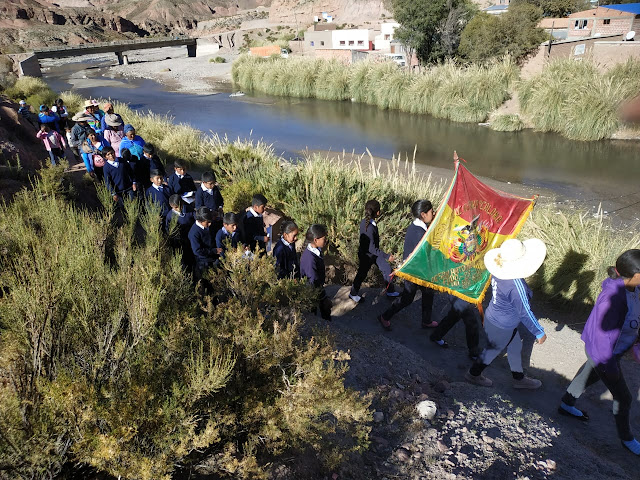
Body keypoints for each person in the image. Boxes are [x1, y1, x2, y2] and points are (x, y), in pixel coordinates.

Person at [559, 249, 640, 455]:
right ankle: (627, 439)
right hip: (605, 355)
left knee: (588, 375)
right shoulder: (613, 299)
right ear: (636, 274)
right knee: (624, 397)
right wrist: (610, 367)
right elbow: (602, 338)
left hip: (614, 350)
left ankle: (566, 405)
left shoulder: (634, 288)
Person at [465, 238, 548, 389]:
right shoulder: (516, 285)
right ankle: (473, 374)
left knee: (515, 345)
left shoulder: (499, 271)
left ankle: (519, 378)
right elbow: (525, 312)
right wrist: (539, 332)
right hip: (503, 325)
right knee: (491, 351)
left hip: (493, 317)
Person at [377, 200, 438, 331]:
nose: (433, 213)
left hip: (419, 270)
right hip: (413, 271)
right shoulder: (419, 233)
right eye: (431, 211)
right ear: (423, 214)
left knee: (428, 293)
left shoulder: (417, 226)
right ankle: (384, 316)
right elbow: (424, 255)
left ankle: (426, 321)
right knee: (407, 298)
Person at [349, 199, 399, 303]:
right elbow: (371, 248)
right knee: (362, 274)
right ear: (377, 213)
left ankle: (390, 291)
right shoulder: (370, 227)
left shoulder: (366, 223)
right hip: (367, 256)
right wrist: (386, 256)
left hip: (372, 254)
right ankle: (353, 293)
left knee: (387, 269)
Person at [300, 224, 331, 321]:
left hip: (316, 287)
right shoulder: (310, 258)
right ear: (315, 240)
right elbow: (312, 280)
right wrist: (323, 296)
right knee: (314, 312)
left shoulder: (316, 250)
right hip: (312, 290)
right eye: (324, 239)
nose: (326, 241)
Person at [188, 207, 218, 280]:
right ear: (200, 221)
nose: (210, 224)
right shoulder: (194, 233)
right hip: (203, 262)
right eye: (207, 222)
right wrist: (213, 251)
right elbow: (197, 251)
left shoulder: (207, 226)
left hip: (212, 257)